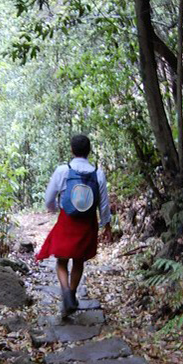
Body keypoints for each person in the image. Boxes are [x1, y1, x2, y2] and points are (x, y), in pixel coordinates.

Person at [36, 134, 112, 315]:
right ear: (89, 151)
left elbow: (49, 199)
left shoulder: (63, 170)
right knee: (79, 260)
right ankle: (71, 292)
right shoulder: (98, 174)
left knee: (61, 261)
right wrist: (106, 224)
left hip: (67, 220)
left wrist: (55, 209)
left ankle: (66, 294)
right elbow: (104, 203)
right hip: (87, 223)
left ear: (72, 150)